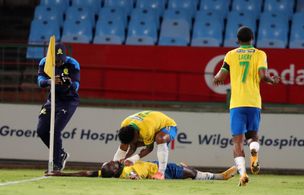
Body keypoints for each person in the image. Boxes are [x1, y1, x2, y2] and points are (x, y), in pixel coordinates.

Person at [213, 26, 280, 186]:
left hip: (236, 103)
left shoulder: (230, 55)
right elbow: (263, 76)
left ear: (237, 40)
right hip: (253, 102)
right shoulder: (260, 54)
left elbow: (220, 77)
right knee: (253, 136)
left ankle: (243, 174)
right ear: (252, 39)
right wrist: (273, 80)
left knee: (237, 141)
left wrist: (216, 78)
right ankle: (254, 151)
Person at [36, 43, 80, 171]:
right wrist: (50, 81)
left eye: (61, 59)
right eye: (56, 59)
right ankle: (60, 153)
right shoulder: (44, 62)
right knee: (41, 130)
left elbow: (77, 85)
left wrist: (68, 83)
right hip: (53, 100)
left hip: (69, 100)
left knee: (55, 130)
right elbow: (40, 81)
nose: (59, 62)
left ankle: (57, 164)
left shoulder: (73, 63)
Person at [113, 111, 177, 180]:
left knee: (160, 138)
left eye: (133, 141)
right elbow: (132, 146)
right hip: (152, 122)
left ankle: (161, 173)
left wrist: (132, 159)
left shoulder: (146, 130)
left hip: (168, 125)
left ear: (136, 135)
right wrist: (122, 161)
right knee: (124, 142)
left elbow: (149, 149)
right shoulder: (124, 124)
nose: (131, 144)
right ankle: (115, 162)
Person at [46, 160, 237, 181]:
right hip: (161, 170)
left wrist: (60, 173)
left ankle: (187, 168)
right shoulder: (125, 172)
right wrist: (136, 177)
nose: (112, 162)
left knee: (187, 169)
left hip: (155, 165)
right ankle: (221, 177)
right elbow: (134, 177)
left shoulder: (108, 171)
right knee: (190, 173)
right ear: (114, 171)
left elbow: (85, 173)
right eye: (111, 165)